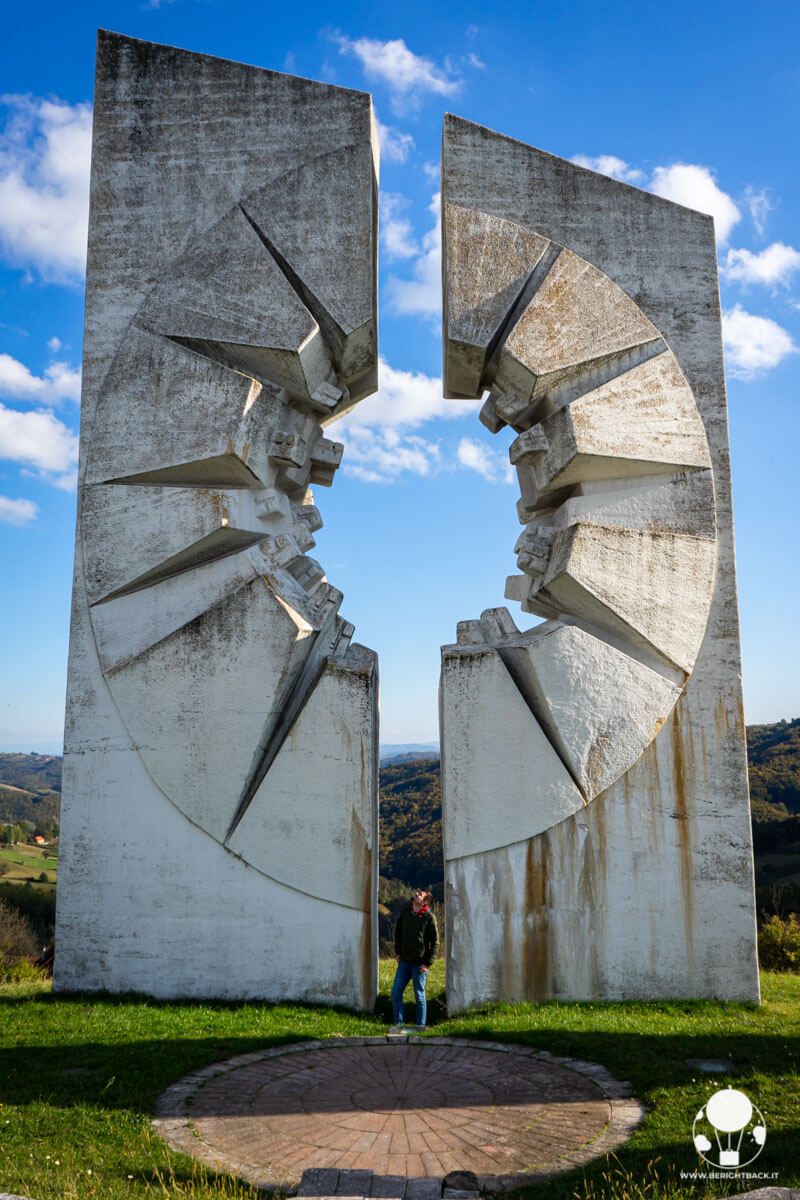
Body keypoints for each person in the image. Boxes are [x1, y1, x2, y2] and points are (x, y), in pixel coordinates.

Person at [390, 887, 439, 1029]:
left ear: (424, 902)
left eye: (420, 894)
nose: (417, 894)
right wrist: (398, 953)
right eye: (417, 893)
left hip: (419, 964)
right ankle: (398, 1024)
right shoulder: (405, 912)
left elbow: (435, 942)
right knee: (396, 993)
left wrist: (427, 964)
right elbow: (398, 932)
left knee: (419, 996)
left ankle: (421, 1025)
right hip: (404, 961)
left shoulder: (429, 918)